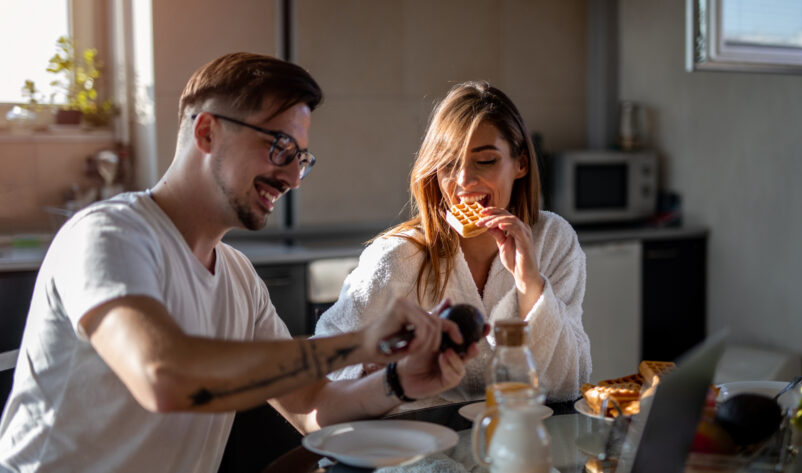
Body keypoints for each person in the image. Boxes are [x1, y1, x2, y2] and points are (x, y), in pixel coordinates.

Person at [0, 53, 479, 473]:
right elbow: (164, 378)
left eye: (301, 158)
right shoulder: (111, 235)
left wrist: (398, 381)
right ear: (207, 131)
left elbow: (311, 406)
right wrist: (357, 343)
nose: (293, 176)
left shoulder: (236, 276)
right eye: (279, 148)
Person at [315, 81, 591, 405]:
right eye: (448, 164)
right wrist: (381, 371)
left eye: (485, 161)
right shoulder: (398, 257)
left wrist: (530, 283)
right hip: (419, 443)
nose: (463, 180)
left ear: (521, 164)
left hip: (519, 434)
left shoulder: (553, 240)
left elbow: (569, 382)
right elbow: (328, 363)